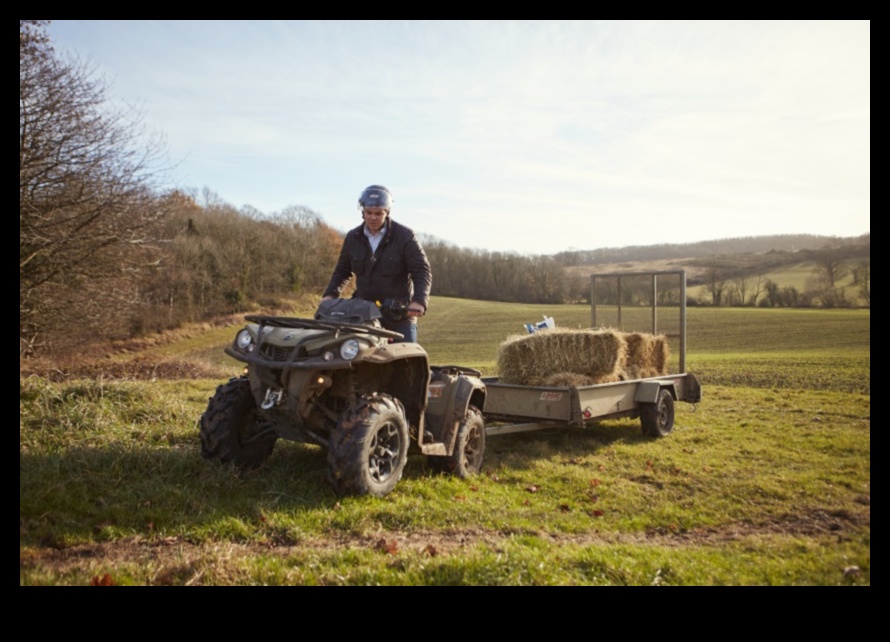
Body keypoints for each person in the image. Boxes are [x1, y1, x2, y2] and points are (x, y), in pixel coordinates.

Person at [322, 185, 431, 342]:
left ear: (387, 212)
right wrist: (330, 294)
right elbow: (343, 270)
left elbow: (421, 270)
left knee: (407, 362)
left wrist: (419, 301)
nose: (373, 217)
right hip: (363, 316)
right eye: (369, 213)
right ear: (362, 211)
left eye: (378, 213)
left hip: (398, 317)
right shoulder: (353, 237)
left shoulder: (405, 236)